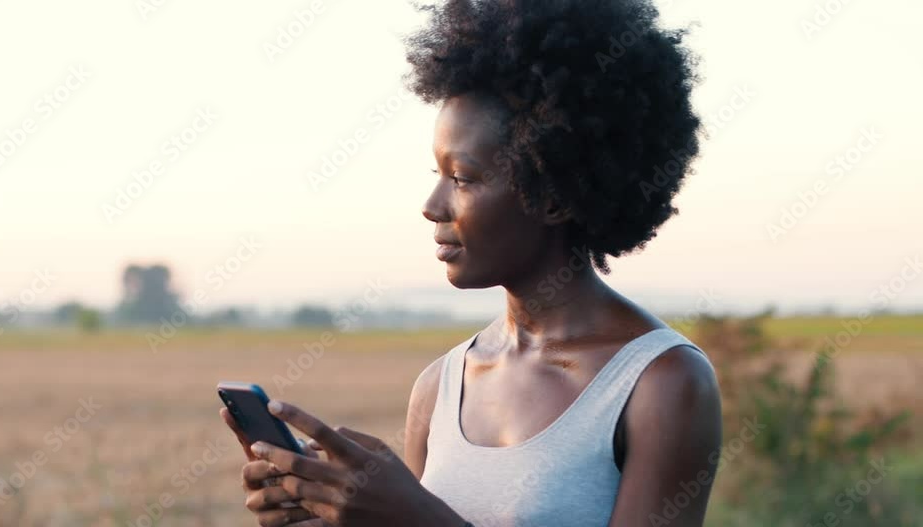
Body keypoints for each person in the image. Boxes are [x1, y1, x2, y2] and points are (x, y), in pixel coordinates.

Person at [222, 0, 722, 524]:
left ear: (552, 196)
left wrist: (417, 517)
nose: (432, 205)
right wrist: (318, 515)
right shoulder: (441, 385)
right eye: (436, 174)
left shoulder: (661, 383)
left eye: (461, 178)